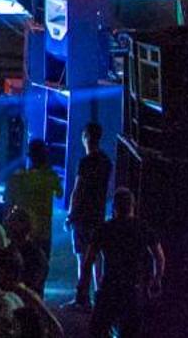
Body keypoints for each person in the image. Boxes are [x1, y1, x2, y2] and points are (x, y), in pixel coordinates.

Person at [88, 189, 163, 338]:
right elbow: (159, 257)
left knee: (98, 329)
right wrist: (156, 279)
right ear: (133, 205)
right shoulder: (143, 228)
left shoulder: (105, 228)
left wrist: (83, 285)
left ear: (114, 206)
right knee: (130, 331)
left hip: (109, 285)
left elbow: (90, 258)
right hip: (133, 287)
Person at [69, 121, 114, 308]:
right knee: (97, 260)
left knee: (82, 258)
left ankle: (82, 299)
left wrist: (70, 214)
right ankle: (100, 298)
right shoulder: (106, 162)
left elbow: (77, 190)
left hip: (82, 217)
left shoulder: (85, 162)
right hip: (98, 216)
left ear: (86, 137)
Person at [3, 139, 63, 267]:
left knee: (20, 269)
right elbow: (59, 194)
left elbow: (8, 204)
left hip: (21, 233)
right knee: (40, 270)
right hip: (43, 233)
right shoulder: (51, 177)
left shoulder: (17, 178)